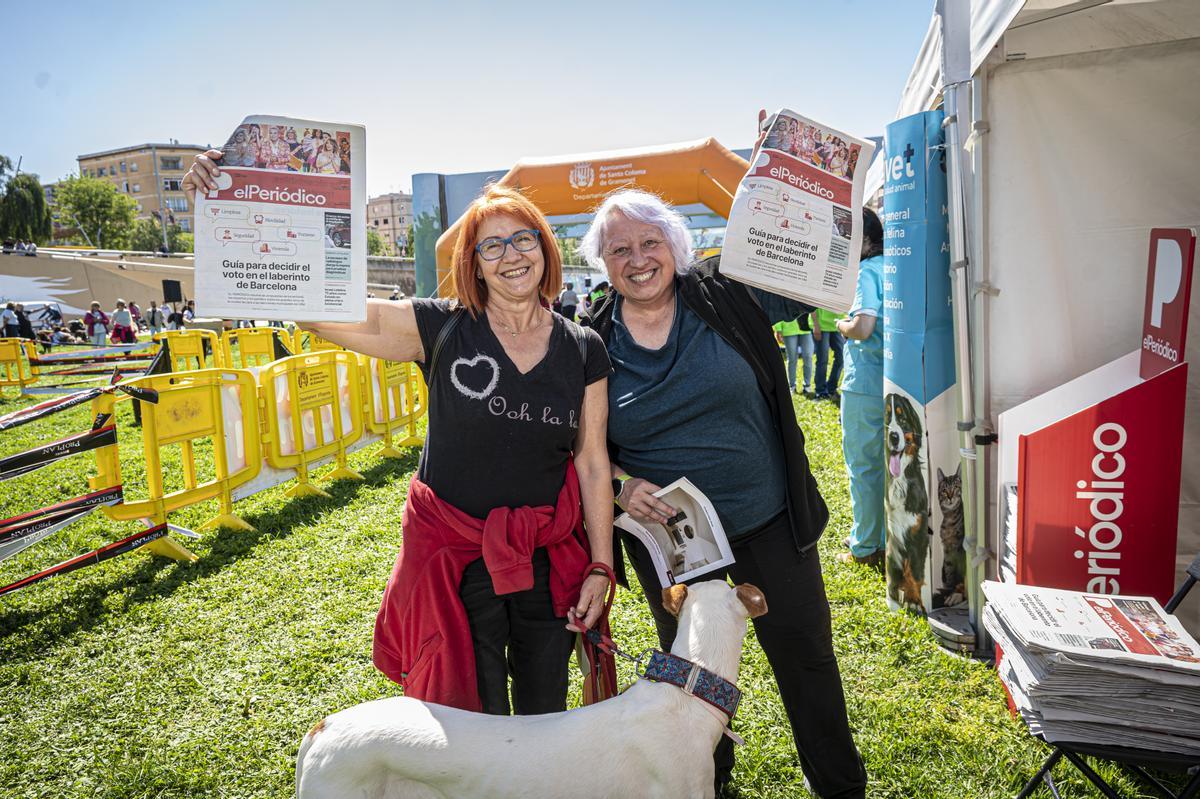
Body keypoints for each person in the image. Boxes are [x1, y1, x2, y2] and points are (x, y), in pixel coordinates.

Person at [185, 149, 618, 716]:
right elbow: (321, 310)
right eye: (492, 245)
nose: (510, 255)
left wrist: (601, 567)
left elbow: (590, 463)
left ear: (545, 247)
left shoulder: (584, 347)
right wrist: (227, 212)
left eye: (523, 239)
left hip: (546, 560)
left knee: (546, 712)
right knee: (472, 718)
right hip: (458, 564)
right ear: (475, 262)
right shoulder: (441, 327)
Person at [581, 182, 867, 796]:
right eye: (619, 249)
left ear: (676, 245)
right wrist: (624, 486)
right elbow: (581, 446)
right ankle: (708, 785)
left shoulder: (727, 292)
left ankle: (840, 788)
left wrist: (793, 190)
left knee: (806, 660)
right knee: (691, 676)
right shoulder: (589, 338)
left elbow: (835, 261)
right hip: (675, 545)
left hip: (768, 522)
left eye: (650, 242)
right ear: (601, 263)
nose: (637, 260)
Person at [836, 209, 887, 567]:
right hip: (896, 380)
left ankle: (866, 544)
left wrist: (842, 324)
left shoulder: (866, 272)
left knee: (864, 467)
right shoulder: (896, 268)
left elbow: (863, 326)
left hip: (864, 383)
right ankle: (885, 536)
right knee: (891, 467)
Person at [812, 306, 844, 402]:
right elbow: (811, 304)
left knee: (841, 358)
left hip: (837, 324)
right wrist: (815, 325)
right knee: (823, 359)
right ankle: (820, 391)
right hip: (821, 326)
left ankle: (831, 388)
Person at [772, 317, 802, 393]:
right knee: (792, 359)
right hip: (788, 330)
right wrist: (778, 329)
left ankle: (807, 386)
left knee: (808, 357)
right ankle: (792, 385)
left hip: (805, 330)